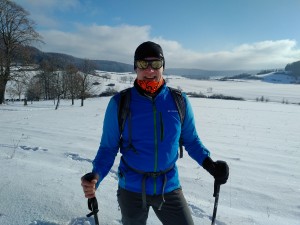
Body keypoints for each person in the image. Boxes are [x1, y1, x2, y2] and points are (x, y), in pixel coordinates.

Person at [81, 41, 229, 225]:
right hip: (131, 189)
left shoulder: (179, 101)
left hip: (169, 187)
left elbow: (191, 140)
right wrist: (96, 176)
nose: (150, 70)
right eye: (143, 64)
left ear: (163, 67)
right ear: (135, 67)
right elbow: (108, 148)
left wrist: (209, 164)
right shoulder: (120, 103)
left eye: (156, 64)